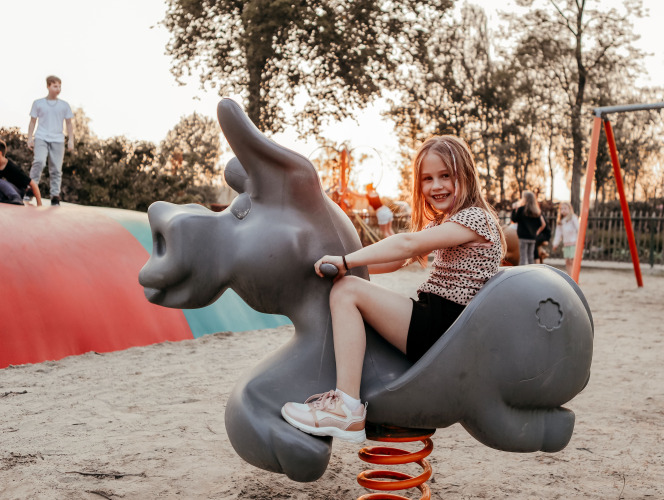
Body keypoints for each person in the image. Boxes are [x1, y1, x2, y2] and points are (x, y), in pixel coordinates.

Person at [281, 136, 506, 443]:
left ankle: (346, 408)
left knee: (347, 291)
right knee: (348, 285)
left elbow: (407, 244)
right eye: (427, 179)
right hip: (439, 321)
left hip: (446, 327)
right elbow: (396, 260)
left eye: (445, 175)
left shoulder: (475, 219)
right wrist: (345, 266)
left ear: (465, 175)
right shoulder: (447, 223)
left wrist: (346, 262)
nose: (436, 186)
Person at [27, 75, 75, 206]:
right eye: (55, 86)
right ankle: (31, 189)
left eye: (59, 86)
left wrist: (71, 140)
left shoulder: (64, 105)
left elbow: (69, 124)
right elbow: (32, 122)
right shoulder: (38, 103)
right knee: (39, 161)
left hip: (58, 139)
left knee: (56, 169)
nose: (58, 89)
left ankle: (55, 196)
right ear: (48, 86)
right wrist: (30, 138)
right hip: (41, 137)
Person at [0, 140, 43, 206]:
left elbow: (33, 184)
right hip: (6, 194)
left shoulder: (12, 168)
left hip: (18, 192)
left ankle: (16, 198)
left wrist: (39, 204)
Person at [510, 191, 546, 266]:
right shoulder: (536, 211)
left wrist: (514, 210)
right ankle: (531, 270)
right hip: (532, 237)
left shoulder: (521, 210)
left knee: (523, 257)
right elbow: (541, 224)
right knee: (530, 257)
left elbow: (514, 220)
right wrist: (536, 232)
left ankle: (522, 271)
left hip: (523, 237)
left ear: (525, 199)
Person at [552, 201, 580, 275]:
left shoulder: (573, 218)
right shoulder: (561, 221)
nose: (563, 210)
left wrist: (580, 241)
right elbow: (558, 234)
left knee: (572, 260)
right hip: (566, 243)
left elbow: (579, 229)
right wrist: (555, 244)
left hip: (574, 243)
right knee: (567, 261)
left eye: (565, 208)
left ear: (569, 209)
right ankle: (570, 276)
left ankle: (574, 276)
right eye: (561, 209)